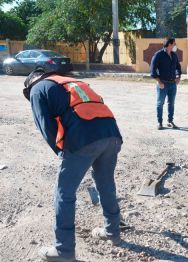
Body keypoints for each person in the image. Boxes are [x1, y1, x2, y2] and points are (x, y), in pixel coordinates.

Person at [23, 70, 123, 262]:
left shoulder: (36, 90)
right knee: (106, 184)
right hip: (112, 134)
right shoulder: (70, 82)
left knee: (64, 193)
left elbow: (47, 128)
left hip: (83, 137)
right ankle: (113, 231)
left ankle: (64, 251)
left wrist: (64, 154)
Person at [150, 37, 182, 130]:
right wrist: (159, 81)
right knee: (160, 103)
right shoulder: (158, 55)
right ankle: (159, 123)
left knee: (171, 103)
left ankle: (170, 121)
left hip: (173, 84)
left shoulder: (174, 55)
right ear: (169, 44)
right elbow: (152, 70)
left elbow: (178, 67)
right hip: (162, 84)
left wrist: (178, 77)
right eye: (174, 44)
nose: (175, 46)